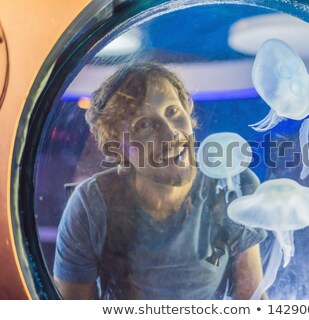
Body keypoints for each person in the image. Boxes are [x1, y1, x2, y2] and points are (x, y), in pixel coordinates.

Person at [53, 63, 267, 299]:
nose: (170, 134)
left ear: (188, 109)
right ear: (116, 147)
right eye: (143, 125)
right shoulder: (90, 205)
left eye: (173, 111)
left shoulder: (234, 185)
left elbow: (252, 299)